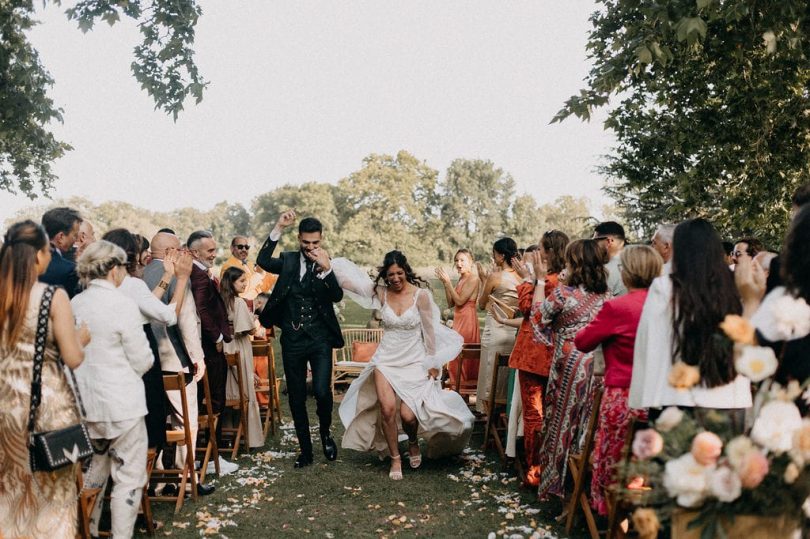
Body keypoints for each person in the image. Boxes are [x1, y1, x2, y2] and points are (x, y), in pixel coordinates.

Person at [334, 251, 474, 480]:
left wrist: (432, 361)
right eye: (391, 275)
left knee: (408, 416)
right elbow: (348, 283)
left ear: (406, 271)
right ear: (385, 276)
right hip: (385, 360)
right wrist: (326, 266)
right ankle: (395, 458)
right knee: (387, 409)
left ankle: (411, 441)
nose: (396, 278)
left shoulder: (421, 296)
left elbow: (429, 331)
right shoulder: (381, 293)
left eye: (399, 273)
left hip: (414, 361)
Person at [0, 220, 90, 537]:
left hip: (5, 412)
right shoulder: (52, 296)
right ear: (38, 255)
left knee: (9, 502)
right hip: (48, 412)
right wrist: (82, 337)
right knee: (55, 505)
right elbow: (73, 358)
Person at [71, 240, 155, 538]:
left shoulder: (75, 304)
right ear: (115, 270)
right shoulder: (123, 305)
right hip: (123, 406)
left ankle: (89, 531)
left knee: (93, 477)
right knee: (128, 479)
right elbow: (143, 359)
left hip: (86, 405)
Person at [629, 219, 752, 411]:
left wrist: (643, 397)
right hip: (727, 395)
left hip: (676, 394)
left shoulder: (665, 287)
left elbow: (649, 340)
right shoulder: (731, 287)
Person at [574, 245, 662, 516]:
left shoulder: (617, 307)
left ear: (629, 273)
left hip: (623, 395)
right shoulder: (667, 305)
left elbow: (583, 341)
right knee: (644, 460)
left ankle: (610, 513)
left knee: (613, 459)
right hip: (659, 397)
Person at [256, 211, 344, 468]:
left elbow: (337, 296)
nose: (310, 248)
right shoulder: (289, 260)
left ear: (321, 240)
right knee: (295, 396)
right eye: (306, 243)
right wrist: (278, 227)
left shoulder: (328, 262)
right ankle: (305, 450)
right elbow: (262, 260)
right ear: (299, 239)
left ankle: (326, 433)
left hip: (320, 339)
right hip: (293, 339)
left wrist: (327, 270)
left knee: (321, 391)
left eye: (315, 243)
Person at [530, 239, 610, 499]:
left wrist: (541, 282)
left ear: (575, 264)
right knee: (589, 426)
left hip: (570, 369)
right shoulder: (608, 296)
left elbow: (538, 317)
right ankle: (585, 491)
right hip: (599, 370)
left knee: (562, 426)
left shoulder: (564, 294)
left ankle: (560, 488)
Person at [144, 232, 225, 482]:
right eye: (179, 248)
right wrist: (197, 358)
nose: (183, 252)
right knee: (185, 423)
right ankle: (184, 477)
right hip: (175, 361)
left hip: (148, 363)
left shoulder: (139, 277)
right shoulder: (180, 276)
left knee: (158, 422)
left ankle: (156, 477)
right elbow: (187, 321)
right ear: (169, 253)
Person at [102, 228, 191, 451]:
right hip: (138, 356)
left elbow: (148, 304)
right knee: (145, 428)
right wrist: (181, 279)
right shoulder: (132, 285)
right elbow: (169, 316)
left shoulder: (102, 286)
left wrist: (167, 275)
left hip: (111, 359)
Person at [498, 231, 569, 485]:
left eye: (540, 249)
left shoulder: (548, 282)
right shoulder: (565, 280)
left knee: (533, 415)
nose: (537, 253)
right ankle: (551, 468)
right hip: (558, 356)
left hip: (534, 354)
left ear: (549, 252)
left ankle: (534, 471)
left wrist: (528, 280)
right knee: (553, 413)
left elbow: (529, 309)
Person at [187, 230, 237, 471]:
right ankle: (211, 457)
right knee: (215, 399)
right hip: (209, 347)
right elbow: (201, 310)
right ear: (195, 252)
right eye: (210, 251)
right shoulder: (197, 276)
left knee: (208, 400)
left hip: (207, 345)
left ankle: (206, 455)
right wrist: (216, 336)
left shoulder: (199, 272)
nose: (214, 254)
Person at [220, 266, 264, 448]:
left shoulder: (221, 300)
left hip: (224, 344)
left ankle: (227, 433)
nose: (245, 284)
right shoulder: (238, 303)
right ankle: (251, 437)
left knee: (230, 388)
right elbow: (248, 329)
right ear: (231, 283)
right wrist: (253, 320)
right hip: (239, 345)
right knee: (244, 386)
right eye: (242, 281)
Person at [475, 237, 520, 413]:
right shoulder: (523, 278)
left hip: (495, 329)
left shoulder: (495, 277)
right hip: (514, 330)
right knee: (507, 373)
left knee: (489, 371)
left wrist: (483, 280)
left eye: (494, 254)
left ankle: (488, 413)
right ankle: (504, 411)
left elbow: (481, 303)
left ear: (501, 256)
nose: (493, 258)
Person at [435, 248, 481, 388]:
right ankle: (458, 390)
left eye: (462, 260)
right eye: (456, 260)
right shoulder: (461, 279)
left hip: (467, 320)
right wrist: (445, 284)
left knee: (463, 356)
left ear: (470, 262)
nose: (459, 264)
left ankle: (464, 390)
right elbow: (451, 303)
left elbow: (461, 301)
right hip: (458, 319)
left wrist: (448, 283)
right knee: (455, 355)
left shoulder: (474, 278)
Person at [39, 206, 83, 297]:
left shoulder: (19, 260)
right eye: (75, 235)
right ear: (61, 237)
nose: (76, 240)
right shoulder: (69, 270)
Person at [593, 221, 627, 297]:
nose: (594, 245)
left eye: (595, 241)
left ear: (609, 241)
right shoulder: (636, 264)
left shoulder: (606, 271)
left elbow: (596, 304)